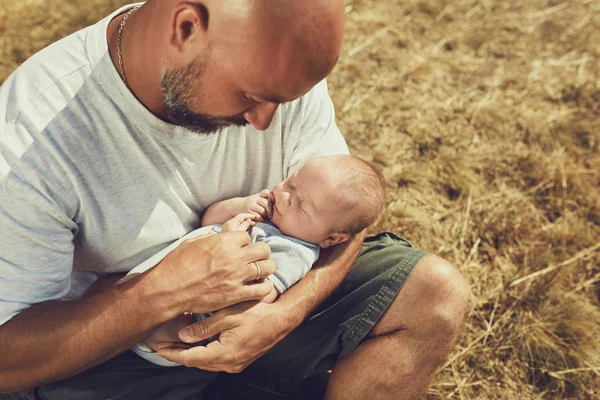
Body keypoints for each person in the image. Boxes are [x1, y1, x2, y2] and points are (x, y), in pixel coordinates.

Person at [0, 1, 470, 399]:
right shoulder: (31, 137)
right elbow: (7, 360)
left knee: (434, 294)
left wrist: (285, 313)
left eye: (283, 99)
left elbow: (345, 214)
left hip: (263, 310)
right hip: (113, 356)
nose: (266, 122)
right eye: (250, 96)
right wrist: (159, 293)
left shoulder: (275, 69)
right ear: (185, 29)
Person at [128, 154, 386, 367]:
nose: (285, 197)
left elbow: (260, 294)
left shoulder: (295, 251)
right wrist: (238, 206)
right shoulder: (268, 209)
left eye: (302, 207)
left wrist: (229, 243)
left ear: (331, 239)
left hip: (196, 317)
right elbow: (209, 219)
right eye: (291, 184)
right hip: (165, 279)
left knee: (169, 327)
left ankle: (145, 338)